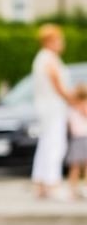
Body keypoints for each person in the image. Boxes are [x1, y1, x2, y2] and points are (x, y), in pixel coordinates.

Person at [31, 23, 78, 199]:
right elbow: (58, 86)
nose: (62, 43)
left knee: (45, 144)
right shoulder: (48, 58)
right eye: (60, 39)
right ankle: (52, 183)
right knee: (55, 145)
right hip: (52, 107)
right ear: (50, 41)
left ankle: (41, 183)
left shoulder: (42, 58)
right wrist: (75, 100)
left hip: (48, 107)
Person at [66, 82, 87, 199]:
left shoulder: (71, 108)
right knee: (78, 167)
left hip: (77, 139)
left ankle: (73, 191)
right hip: (81, 138)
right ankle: (75, 190)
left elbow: (69, 125)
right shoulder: (78, 108)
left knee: (76, 167)